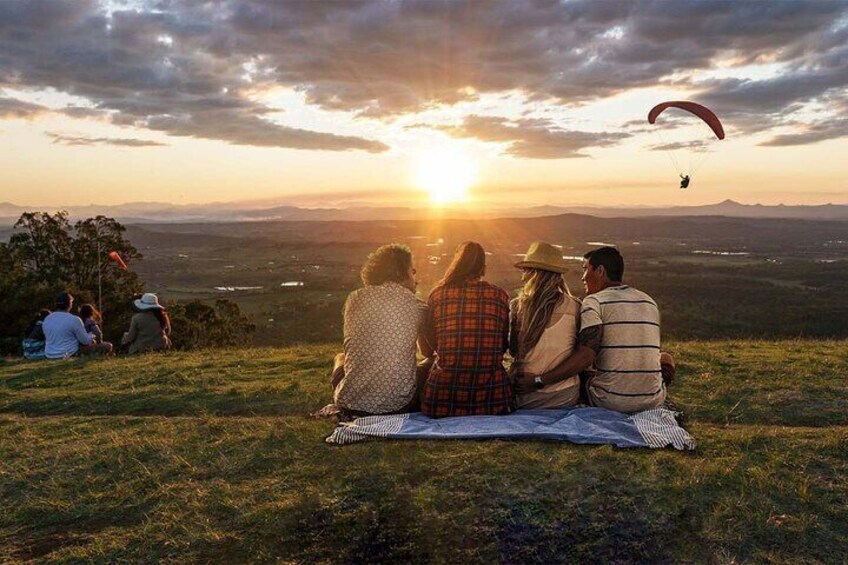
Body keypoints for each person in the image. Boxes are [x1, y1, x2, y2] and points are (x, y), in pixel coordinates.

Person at [514, 246, 674, 413]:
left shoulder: (593, 301)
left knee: (581, 369)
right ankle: (651, 388)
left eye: (585, 270)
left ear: (600, 271)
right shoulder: (649, 301)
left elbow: (586, 356)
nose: (583, 278)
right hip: (653, 401)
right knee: (665, 357)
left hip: (609, 401)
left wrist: (538, 381)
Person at [329, 244, 429, 416]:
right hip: (399, 406)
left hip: (349, 403)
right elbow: (427, 351)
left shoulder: (354, 298)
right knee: (430, 362)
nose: (416, 279)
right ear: (400, 273)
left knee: (341, 357)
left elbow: (353, 346)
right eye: (412, 272)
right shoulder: (417, 306)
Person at [420, 241, 513, 418]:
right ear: (483, 269)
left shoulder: (438, 295)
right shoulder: (500, 296)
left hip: (442, 399)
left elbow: (430, 345)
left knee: (425, 366)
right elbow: (502, 344)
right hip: (494, 399)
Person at [509, 242, 582, 409]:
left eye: (525, 270)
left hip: (525, 397)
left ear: (533, 274)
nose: (522, 276)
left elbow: (513, 350)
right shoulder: (576, 306)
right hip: (565, 396)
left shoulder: (516, 306)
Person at [43, 292, 111, 358]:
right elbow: (85, 341)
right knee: (108, 346)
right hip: (69, 353)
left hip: (49, 354)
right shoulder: (74, 319)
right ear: (69, 304)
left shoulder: (47, 319)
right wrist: (92, 336)